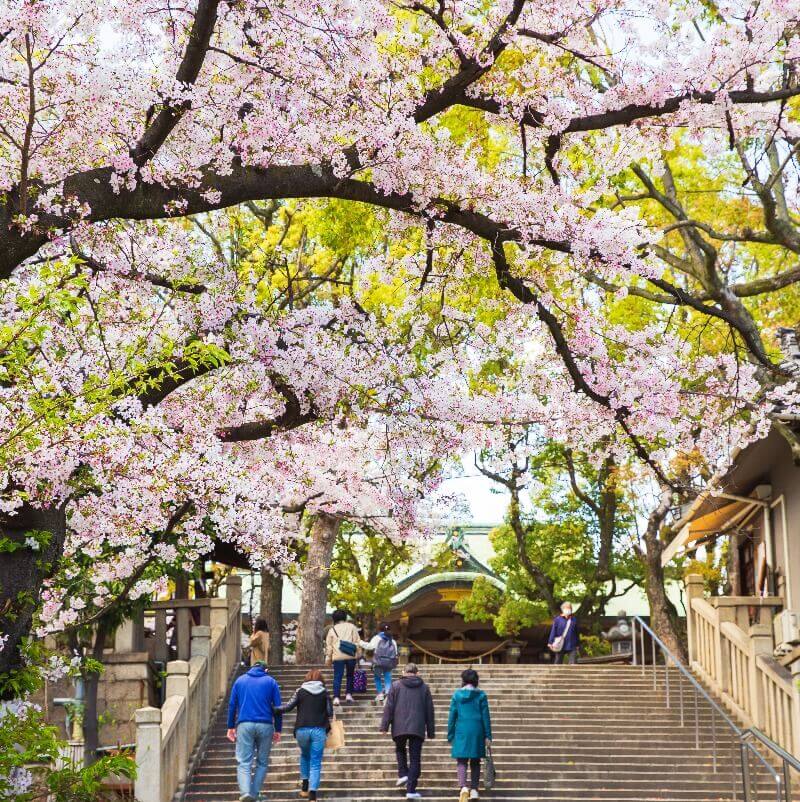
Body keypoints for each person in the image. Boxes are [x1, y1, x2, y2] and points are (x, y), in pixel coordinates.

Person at [273, 668, 333, 801]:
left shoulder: (300, 691)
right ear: (320, 679)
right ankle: (312, 794)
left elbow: (288, 707)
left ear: (307, 678)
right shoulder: (325, 693)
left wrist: (272, 709)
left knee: (305, 756)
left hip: (302, 730)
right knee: (316, 762)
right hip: (318, 730)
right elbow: (329, 712)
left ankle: (304, 787)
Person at [226, 662, 283, 802]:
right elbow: (278, 708)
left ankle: (245, 793)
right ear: (266, 670)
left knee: (244, 761)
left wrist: (230, 726)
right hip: (265, 725)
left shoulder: (240, 681)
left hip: (245, 724)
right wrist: (278, 729)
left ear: (252, 668)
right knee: (262, 762)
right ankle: (255, 793)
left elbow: (232, 705)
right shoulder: (271, 682)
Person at [380, 663, 435, 800]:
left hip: (399, 725)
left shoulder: (395, 685)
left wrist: (384, 726)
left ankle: (403, 773)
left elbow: (389, 707)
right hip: (417, 727)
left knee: (400, 749)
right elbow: (430, 711)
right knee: (415, 758)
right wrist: (431, 731)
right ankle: (411, 789)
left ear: (404, 671)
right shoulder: (424, 688)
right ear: (417, 672)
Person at [448, 668, 492, 802]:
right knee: (475, 761)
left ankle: (463, 788)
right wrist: (488, 736)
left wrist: (450, 734)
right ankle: (474, 789)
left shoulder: (457, 695)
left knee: (461, 760)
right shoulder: (481, 695)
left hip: (461, 730)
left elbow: (452, 716)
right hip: (477, 730)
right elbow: (486, 717)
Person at [324, 609, 361, 705]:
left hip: (337, 656)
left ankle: (336, 698)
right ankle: (348, 695)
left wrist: (328, 659)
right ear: (345, 617)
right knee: (350, 675)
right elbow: (357, 641)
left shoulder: (332, 629)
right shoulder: (352, 627)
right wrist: (358, 654)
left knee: (337, 676)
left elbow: (329, 646)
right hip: (350, 655)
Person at [362, 623, 398, 702]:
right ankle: (388, 694)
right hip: (389, 662)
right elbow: (395, 652)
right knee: (387, 677)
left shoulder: (377, 637)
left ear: (379, 629)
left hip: (378, 661)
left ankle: (380, 694)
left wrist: (360, 642)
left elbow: (369, 646)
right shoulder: (392, 639)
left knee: (377, 677)